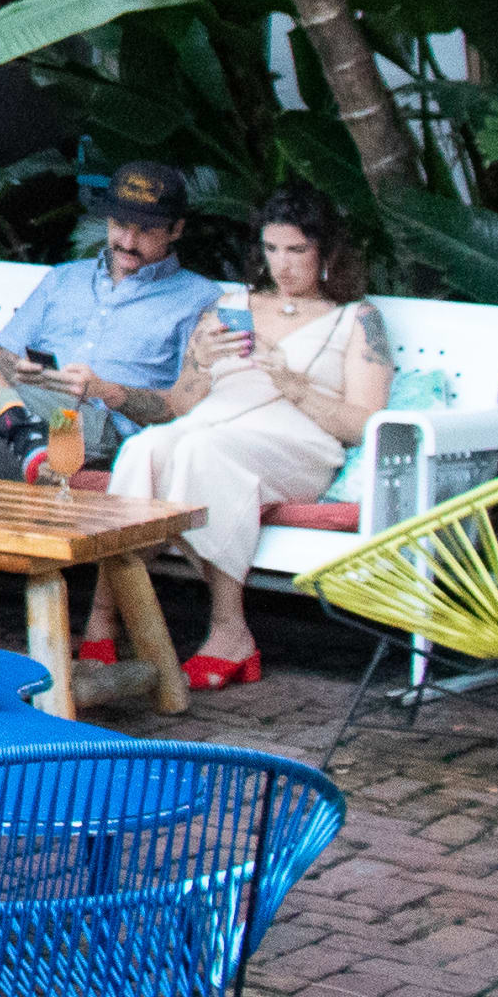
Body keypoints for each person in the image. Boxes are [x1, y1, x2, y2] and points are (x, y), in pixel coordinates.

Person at [79, 187, 391, 688]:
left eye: (296, 251)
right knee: (145, 447)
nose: (282, 266)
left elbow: (365, 424)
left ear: (327, 253)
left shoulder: (357, 319)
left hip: (297, 440)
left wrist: (296, 388)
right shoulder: (230, 305)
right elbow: (179, 405)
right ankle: (103, 617)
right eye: (271, 250)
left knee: (202, 450)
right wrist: (201, 362)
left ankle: (229, 629)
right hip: (212, 423)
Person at [0, 162, 221, 479]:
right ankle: (19, 426)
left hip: (88, 422)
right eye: (120, 224)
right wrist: (25, 373)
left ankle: (14, 433)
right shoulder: (64, 279)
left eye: (145, 230)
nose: (127, 241)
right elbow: (2, 368)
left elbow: (183, 408)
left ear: (176, 230)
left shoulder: (199, 300)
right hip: (20, 403)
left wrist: (106, 390)